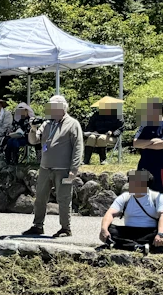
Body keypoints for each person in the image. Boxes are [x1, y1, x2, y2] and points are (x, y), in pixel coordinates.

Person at [24, 95, 84, 238]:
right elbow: (33, 141)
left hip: (63, 169)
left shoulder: (72, 124)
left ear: (62, 108)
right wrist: (33, 129)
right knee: (40, 197)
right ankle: (38, 225)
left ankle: (65, 228)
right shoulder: (47, 124)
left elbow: (78, 147)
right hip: (45, 167)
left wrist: (74, 169)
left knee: (64, 199)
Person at [99, 170, 163, 253]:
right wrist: (104, 229)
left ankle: (122, 245)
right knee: (110, 229)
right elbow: (110, 213)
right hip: (129, 231)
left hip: (149, 231)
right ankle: (140, 246)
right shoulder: (125, 197)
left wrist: (161, 234)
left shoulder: (158, 197)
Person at [131, 96, 163, 193]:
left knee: (160, 196)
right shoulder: (144, 125)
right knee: (138, 195)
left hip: (161, 167)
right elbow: (135, 143)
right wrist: (152, 141)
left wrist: (144, 144)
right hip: (143, 165)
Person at [85, 97, 124, 165]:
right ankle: (86, 160)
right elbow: (90, 126)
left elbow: (120, 128)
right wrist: (93, 131)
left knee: (102, 138)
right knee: (91, 137)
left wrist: (112, 132)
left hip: (111, 137)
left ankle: (103, 160)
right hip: (96, 134)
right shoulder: (96, 115)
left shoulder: (118, 116)